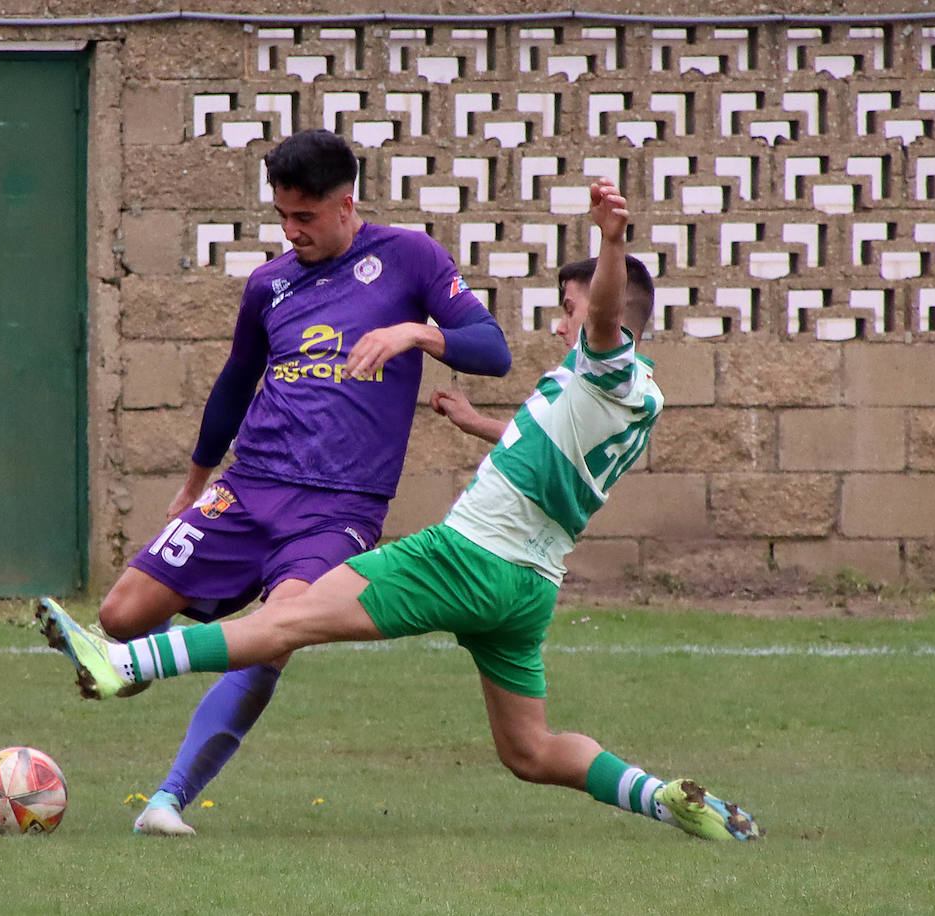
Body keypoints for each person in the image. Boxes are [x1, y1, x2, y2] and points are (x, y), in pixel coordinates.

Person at [38, 178, 764, 842]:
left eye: (566, 312)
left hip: (466, 559)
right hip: (528, 590)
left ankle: (122, 661)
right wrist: (480, 424)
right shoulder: (638, 398)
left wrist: (610, 243)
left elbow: (606, 314)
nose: (562, 325)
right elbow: (551, 448)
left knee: (284, 621)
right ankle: (663, 797)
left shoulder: (605, 357)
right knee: (530, 751)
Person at [96, 129, 512, 835]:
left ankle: (166, 801)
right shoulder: (269, 284)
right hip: (248, 484)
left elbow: (493, 351)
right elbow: (233, 387)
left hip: (338, 510)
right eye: (282, 216)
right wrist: (194, 483)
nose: (291, 232)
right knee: (117, 617)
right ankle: (140, 656)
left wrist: (418, 335)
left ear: (346, 204)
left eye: (305, 218)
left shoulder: (410, 258)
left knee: (276, 633)